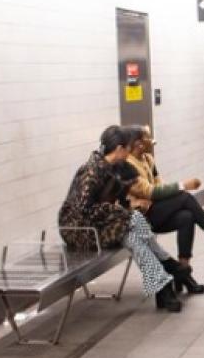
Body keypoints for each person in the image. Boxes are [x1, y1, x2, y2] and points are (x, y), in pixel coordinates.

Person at [58, 125, 187, 312]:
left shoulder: (117, 168)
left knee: (132, 234)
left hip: (101, 223)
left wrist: (129, 206)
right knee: (131, 222)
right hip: (79, 230)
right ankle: (167, 265)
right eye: (128, 148)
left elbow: (130, 194)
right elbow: (83, 211)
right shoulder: (90, 172)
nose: (129, 152)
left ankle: (163, 285)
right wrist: (118, 210)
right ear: (119, 149)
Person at [122, 126, 204, 294]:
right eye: (148, 138)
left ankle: (183, 273)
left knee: (187, 217)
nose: (152, 141)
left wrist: (170, 193)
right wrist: (182, 185)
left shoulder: (148, 159)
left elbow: (159, 186)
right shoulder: (128, 166)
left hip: (155, 209)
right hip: (142, 217)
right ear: (138, 143)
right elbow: (148, 191)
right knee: (184, 197)